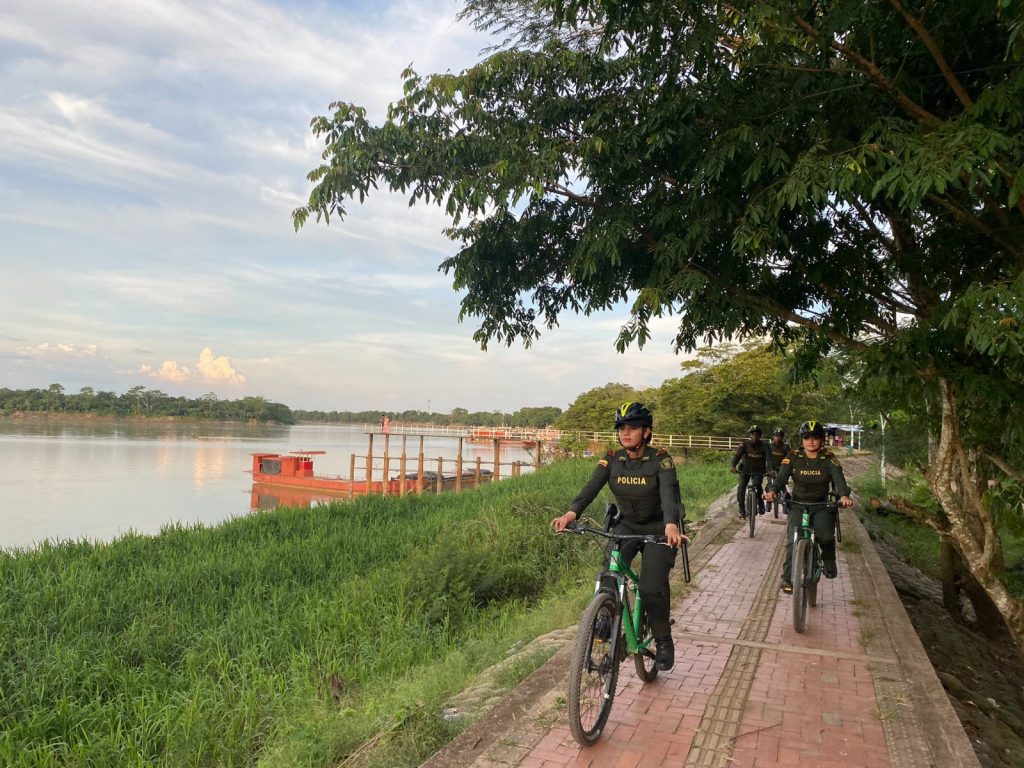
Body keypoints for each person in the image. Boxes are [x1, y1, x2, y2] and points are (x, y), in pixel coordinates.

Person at [551, 402, 686, 671]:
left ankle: (663, 640)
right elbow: (591, 487)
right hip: (626, 526)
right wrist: (571, 514)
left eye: (633, 428)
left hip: (659, 528)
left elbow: (668, 494)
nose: (626, 433)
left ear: (646, 432)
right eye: (622, 428)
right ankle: (606, 618)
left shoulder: (661, 459)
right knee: (609, 576)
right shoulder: (612, 459)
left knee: (650, 586)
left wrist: (671, 524)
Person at [764, 420, 855, 593]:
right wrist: (773, 491)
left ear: (821, 440)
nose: (811, 441)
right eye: (807, 438)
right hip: (798, 505)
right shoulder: (792, 458)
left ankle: (828, 559)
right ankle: (788, 579)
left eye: (815, 438)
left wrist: (844, 496)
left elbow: (839, 480)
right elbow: (781, 479)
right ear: (802, 439)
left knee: (826, 536)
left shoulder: (828, 459)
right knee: (792, 541)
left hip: (821, 505)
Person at [730, 425, 768, 517]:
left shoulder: (765, 446)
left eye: (757, 434)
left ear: (760, 436)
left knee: (758, 485)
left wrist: (770, 470)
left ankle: (760, 503)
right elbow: (737, 456)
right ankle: (742, 510)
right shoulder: (745, 444)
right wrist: (733, 466)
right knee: (741, 488)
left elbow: (770, 459)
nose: (755, 436)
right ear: (750, 435)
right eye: (753, 434)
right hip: (745, 470)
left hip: (759, 470)